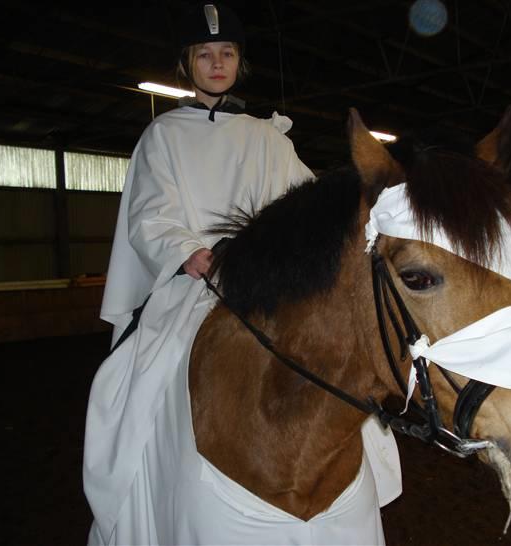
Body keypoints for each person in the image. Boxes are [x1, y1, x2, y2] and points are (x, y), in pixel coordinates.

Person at [83, 3, 398, 545]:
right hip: (197, 281)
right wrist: (186, 251)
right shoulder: (164, 136)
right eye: (205, 54)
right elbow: (149, 211)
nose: (217, 63)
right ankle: (135, 481)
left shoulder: (268, 138)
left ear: (238, 62)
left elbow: (307, 206)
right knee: (137, 375)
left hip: (267, 282)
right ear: (188, 63)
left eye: (226, 53)